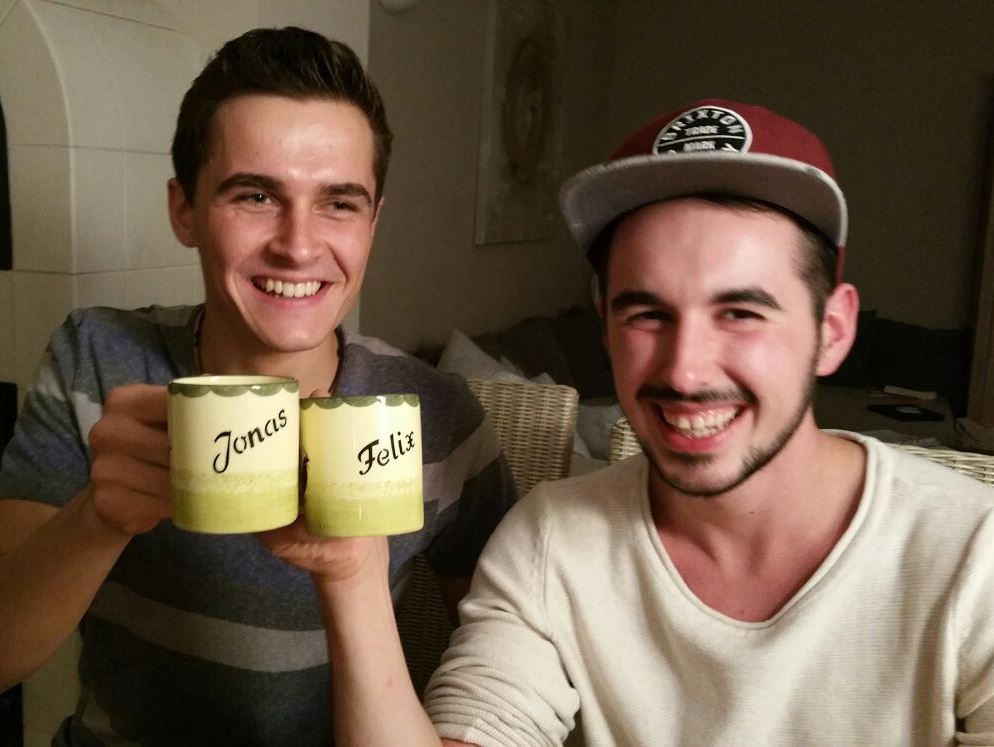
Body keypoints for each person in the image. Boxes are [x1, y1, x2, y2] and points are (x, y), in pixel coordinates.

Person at [301, 100, 994, 745]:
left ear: (833, 330)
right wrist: (354, 573)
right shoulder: (551, 542)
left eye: (741, 313)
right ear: (606, 328)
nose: (685, 371)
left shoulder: (974, 556)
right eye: (647, 314)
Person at [0, 27, 516, 745]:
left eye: (339, 203)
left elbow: (506, 668)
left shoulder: (436, 415)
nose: (298, 246)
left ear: (373, 221)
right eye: (255, 195)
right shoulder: (98, 358)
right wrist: (98, 519)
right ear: (184, 209)